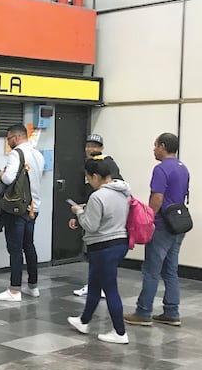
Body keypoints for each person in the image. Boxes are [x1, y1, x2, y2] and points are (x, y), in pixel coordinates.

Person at [125, 133, 190, 327]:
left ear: (162, 146)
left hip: (162, 225)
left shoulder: (161, 169)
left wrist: (148, 220)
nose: (153, 150)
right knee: (170, 270)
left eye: (154, 146)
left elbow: (157, 198)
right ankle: (172, 312)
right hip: (179, 224)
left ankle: (143, 312)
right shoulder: (183, 167)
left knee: (151, 270)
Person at [67, 157, 131, 344]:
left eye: (88, 178)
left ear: (96, 176)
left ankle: (120, 332)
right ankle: (83, 321)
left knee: (110, 289)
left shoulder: (97, 196)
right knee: (94, 284)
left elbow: (91, 225)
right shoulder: (123, 192)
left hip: (103, 246)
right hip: (119, 242)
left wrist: (79, 212)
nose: (88, 182)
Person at [0, 124, 45, 302]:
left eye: (8, 139)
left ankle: (14, 290)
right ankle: (33, 286)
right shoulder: (37, 154)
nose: (8, 142)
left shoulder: (17, 153)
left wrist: (0, 175)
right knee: (28, 246)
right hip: (33, 207)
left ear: (15, 137)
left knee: (15, 249)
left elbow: (9, 178)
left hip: (17, 208)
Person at [71, 134, 122, 298]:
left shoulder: (108, 164)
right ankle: (96, 286)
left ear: (101, 148)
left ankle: (98, 286)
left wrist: (83, 210)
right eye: (87, 146)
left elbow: (111, 188)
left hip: (102, 217)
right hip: (90, 209)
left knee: (99, 253)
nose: (90, 149)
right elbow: (85, 192)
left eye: (94, 146)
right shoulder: (89, 164)